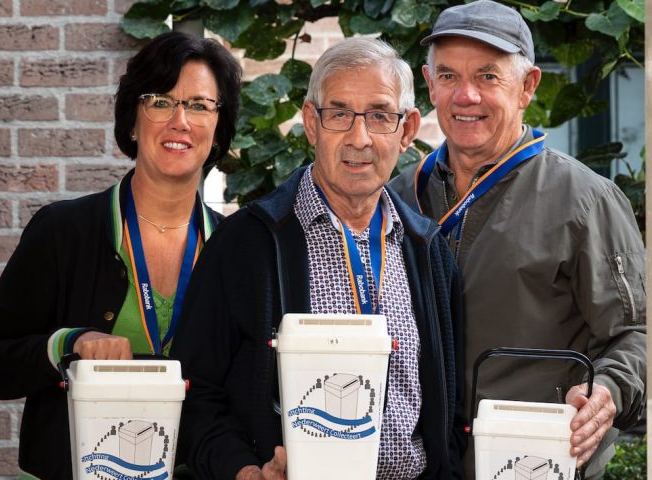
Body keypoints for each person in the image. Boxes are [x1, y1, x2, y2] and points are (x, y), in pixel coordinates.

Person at [172, 37, 465, 480]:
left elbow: (451, 406)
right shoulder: (245, 245)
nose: (359, 138)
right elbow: (196, 393)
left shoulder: (429, 251)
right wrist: (245, 471)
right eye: (339, 114)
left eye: (380, 115)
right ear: (311, 123)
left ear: (407, 130)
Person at [389, 1, 646, 479]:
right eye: (448, 76)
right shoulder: (397, 198)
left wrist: (608, 392)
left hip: (534, 462)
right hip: (417, 466)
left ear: (528, 86)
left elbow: (638, 334)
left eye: (487, 76)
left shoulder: (587, 201)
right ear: (430, 84)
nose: (466, 95)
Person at [0, 31, 242, 480]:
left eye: (199, 105)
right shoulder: (62, 230)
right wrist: (68, 343)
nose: (180, 121)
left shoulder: (236, 248)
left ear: (217, 131)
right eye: (160, 102)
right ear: (132, 121)